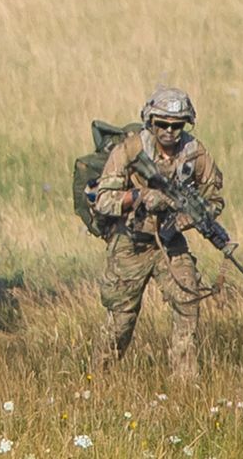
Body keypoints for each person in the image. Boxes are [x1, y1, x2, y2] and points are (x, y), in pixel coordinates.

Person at [90, 86, 222, 382]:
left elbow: (214, 200)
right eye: (162, 124)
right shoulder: (131, 150)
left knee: (188, 304)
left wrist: (185, 219)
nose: (170, 132)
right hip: (131, 243)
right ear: (151, 121)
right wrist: (138, 196)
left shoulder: (195, 154)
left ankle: (185, 384)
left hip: (171, 243)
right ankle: (97, 383)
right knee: (120, 322)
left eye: (177, 125)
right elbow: (103, 199)